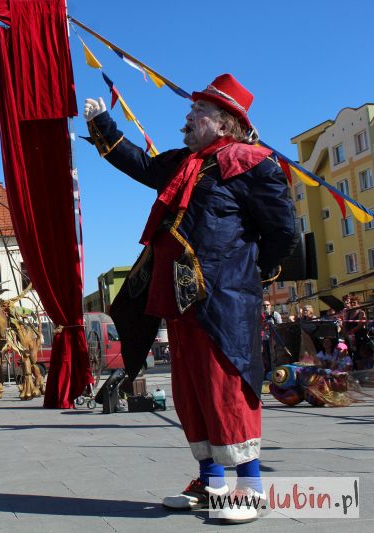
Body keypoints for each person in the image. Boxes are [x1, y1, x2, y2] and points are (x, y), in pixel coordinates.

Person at [85, 73, 297, 523]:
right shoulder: (186, 162)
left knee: (227, 389)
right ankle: (211, 482)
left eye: (199, 112)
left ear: (224, 122)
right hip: (179, 294)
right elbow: (141, 165)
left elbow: (282, 233)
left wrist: (249, 274)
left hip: (225, 298)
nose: (189, 116)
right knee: (191, 391)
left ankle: (251, 488)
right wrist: (103, 123)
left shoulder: (254, 164)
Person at [261, 301, 282, 372]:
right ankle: (269, 372)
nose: (266, 306)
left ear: (270, 306)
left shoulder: (275, 314)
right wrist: (263, 326)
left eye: (267, 305)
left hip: (274, 339)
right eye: (264, 305)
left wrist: (271, 325)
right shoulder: (262, 316)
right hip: (265, 339)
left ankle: (277, 371)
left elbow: (280, 326)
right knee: (267, 356)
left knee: (276, 356)